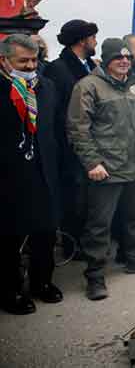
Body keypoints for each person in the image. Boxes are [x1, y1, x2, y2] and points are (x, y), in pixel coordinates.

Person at [67, 38, 135, 300]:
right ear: (107, 60)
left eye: (127, 58)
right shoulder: (88, 86)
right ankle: (95, 276)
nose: (124, 62)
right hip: (106, 170)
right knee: (99, 225)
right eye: (117, 58)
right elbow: (78, 129)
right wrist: (92, 163)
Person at [0, 35, 62, 315]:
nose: (29, 66)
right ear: (4, 60)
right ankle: (11, 291)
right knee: (9, 237)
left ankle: (42, 283)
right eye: (22, 61)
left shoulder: (46, 87)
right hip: (9, 175)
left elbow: (57, 129)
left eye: (34, 60)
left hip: (44, 171)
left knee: (46, 232)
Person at [42, 19, 99, 259]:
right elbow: (57, 112)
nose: (96, 41)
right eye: (93, 37)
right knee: (73, 199)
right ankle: (72, 246)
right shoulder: (59, 69)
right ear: (82, 40)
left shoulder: (88, 66)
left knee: (86, 200)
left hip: (88, 143)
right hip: (69, 146)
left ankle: (83, 243)